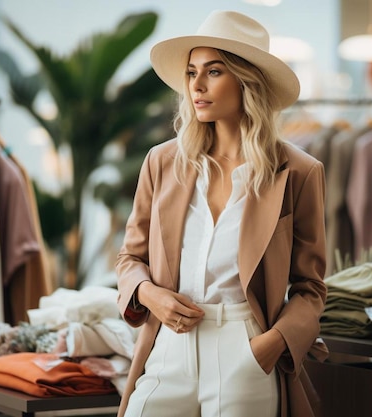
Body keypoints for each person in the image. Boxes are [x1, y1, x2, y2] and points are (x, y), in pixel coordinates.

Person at [116, 10, 328, 417]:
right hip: (168, 347)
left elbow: (310, 287)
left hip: (245, 348)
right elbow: (130, 259)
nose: (196, 85)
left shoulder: (298, 172)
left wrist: (271, 345)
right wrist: (149, 294)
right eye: (192, 72)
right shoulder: (162, 162)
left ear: (247, 80)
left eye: (213, 72)